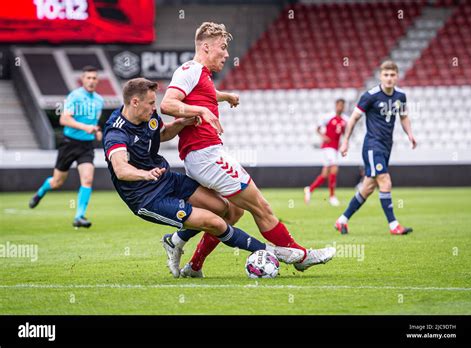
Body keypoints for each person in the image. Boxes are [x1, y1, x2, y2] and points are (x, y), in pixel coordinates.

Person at [160, 22, 335, 278]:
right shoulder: (189, 69)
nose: (227, 54)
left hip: (202, 155)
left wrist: (224, 96)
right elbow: (167, 104)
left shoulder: (201, 75)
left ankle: (191, 262)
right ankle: (300, 256)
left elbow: (202, 94)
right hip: (207, 155)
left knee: (232, 211)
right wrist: (201, 111)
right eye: (222, 47)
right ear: (206, 47)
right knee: (260, 206)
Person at [103, 77, 305, 277]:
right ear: (134, 102)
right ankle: (274, 252)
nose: (154, 107)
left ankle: (173, 241)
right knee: (215, 223)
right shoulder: (116, 132)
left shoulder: (149, 115)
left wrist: (182, 122)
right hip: (146, 197)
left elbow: (162, 134)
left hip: (165, 179)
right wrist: (144, 174)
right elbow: (121, 169)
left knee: (223, 209)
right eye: (150, 103)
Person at [335, 61, 416, 235]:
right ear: (380, 76)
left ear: (396, 77)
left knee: (368, 187)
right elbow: (353, 118)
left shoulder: (400, 96)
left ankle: (342, 220)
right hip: (372, 145)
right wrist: (346, 141)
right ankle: (394, 225)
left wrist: (410, 134)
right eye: (386, 75)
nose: (389, 78)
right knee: (385, 180)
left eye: (392, 75)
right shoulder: (370, 96)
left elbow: (403, 116)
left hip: (387, 146)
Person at [29, 65, 104, 228]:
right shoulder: (75, 96)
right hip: (69, 144)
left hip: (86, 146)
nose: (91, 81)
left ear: (97, 80)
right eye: (88, 78)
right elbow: (64, 119)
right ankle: (41, 191)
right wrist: (86, 128)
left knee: (87, 179)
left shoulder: (99, 100)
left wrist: (97, 131)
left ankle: (79, 216)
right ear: (83, 80)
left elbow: (94, 123)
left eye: (94, 78)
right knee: (57, 182)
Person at [304, 98, 348, 207]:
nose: (340, 107)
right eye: (339, 105)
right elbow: (318, 128)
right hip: (328, 147)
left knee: (325, 174)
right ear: (336, 105)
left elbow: (344, 135)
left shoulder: (344, 120)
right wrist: (323, 137)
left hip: (335, 148)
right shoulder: (328, 117)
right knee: (334, 168)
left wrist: (344, 146)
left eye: (342, 106)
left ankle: (310, 189)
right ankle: (332, 196)